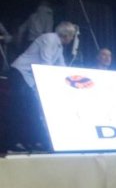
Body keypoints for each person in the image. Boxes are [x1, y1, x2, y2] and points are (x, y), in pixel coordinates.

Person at [7, 21, 76, 151]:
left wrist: (70, 79)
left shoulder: (59, 47)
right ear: (67, 34)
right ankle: (14, 142)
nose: (72, 39)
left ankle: (31, 141)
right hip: (20, 73)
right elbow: (46, 62)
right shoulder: (50, 38)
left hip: (29, 78)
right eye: (72, 35)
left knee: (31, 109)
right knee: (20, 108)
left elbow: (61, 66)